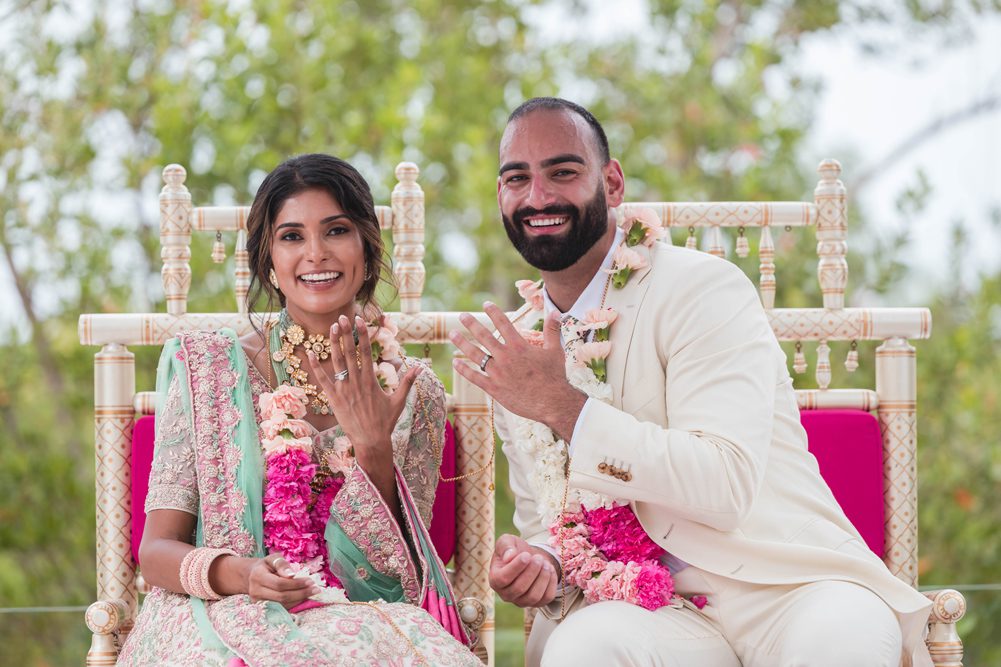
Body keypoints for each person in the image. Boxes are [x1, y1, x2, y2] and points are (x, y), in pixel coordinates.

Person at [450, 98, 934, 667]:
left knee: (842, 642)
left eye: (562, 171)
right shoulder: (522, 350)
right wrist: (542, 565)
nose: (538, 197)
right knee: (583, 648)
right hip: (647, 609)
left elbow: (724, 485)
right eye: (517, 178)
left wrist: (568, 411)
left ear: (612, 182)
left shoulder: (702, 290)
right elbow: (549, 523)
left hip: (787, 587)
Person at [118, 153, 481, 666]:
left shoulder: (411, 392)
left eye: (336, 231)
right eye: (292, 236)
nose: (316, 254)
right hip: (220, 614)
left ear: (366, 248)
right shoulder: (206, 368)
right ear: (267, 259)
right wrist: (240, 573)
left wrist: (373, 447)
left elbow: (387, 579)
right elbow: (156, 553)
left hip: (362, 618)